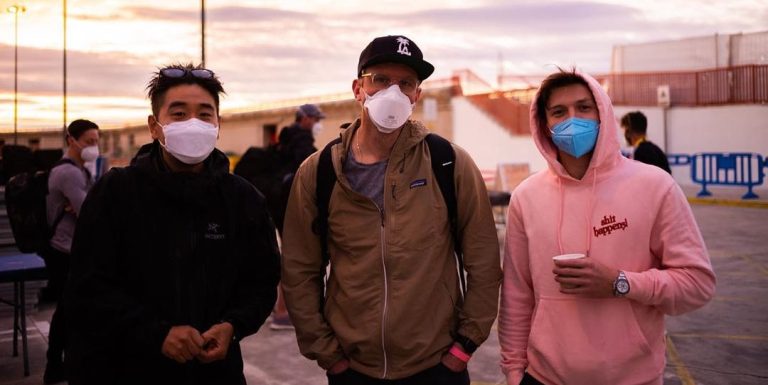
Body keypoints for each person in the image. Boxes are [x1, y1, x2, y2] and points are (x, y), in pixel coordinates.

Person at [281, 35, 502, 385]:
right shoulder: (320, 171)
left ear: (417, 95)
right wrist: (327, 354)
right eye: (381, 80)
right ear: (358, 88)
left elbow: (484, 261)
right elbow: (299, 269)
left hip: (436, 366)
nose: (393, 93)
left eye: (406, 83)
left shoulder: (448, 163)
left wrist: (464, 347)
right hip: (352, 368)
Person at [64, 63, 280, 385]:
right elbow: (87, 286)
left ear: (218, 125)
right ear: (155, 126)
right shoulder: (115, 193)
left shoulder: (243, 200)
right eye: (178, 114)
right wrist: (156, 334)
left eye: (205, 114)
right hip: (126, 369)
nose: (193, 123)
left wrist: (234, 326)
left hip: (216, 374)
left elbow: (261, 282)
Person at [498, 68, 716, 385]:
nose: (573, 119)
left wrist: (620, 282)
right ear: (545, 125)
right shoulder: (526, 198)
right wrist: (515, 372)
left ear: (603, 114)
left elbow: (697, 285)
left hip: (632, 378)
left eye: (584, 108)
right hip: (544, 377)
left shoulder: (655, 186)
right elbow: (517, 295)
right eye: (559, 112)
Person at [42, 118, 100, 384]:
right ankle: (55, 365)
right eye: (89, 142)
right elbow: (91, 212)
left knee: (70, 308)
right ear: (71, 141)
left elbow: (86, 207)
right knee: (67, 309)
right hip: (63, 249)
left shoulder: (81, 170)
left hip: (70, 247)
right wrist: (86, 207)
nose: (94, 147)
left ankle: (61, 364)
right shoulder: (69, 173)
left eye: (96, 142)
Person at [270, 103, 326, 331]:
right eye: (314, 119)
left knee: (287, 253)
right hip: (291, 204)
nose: (316, 124)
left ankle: (279, 307)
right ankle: (283, 313)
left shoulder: (285, 138)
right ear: (304, 119)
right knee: (296, 257)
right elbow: (310, 170)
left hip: (278, 203)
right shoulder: (301, 139)